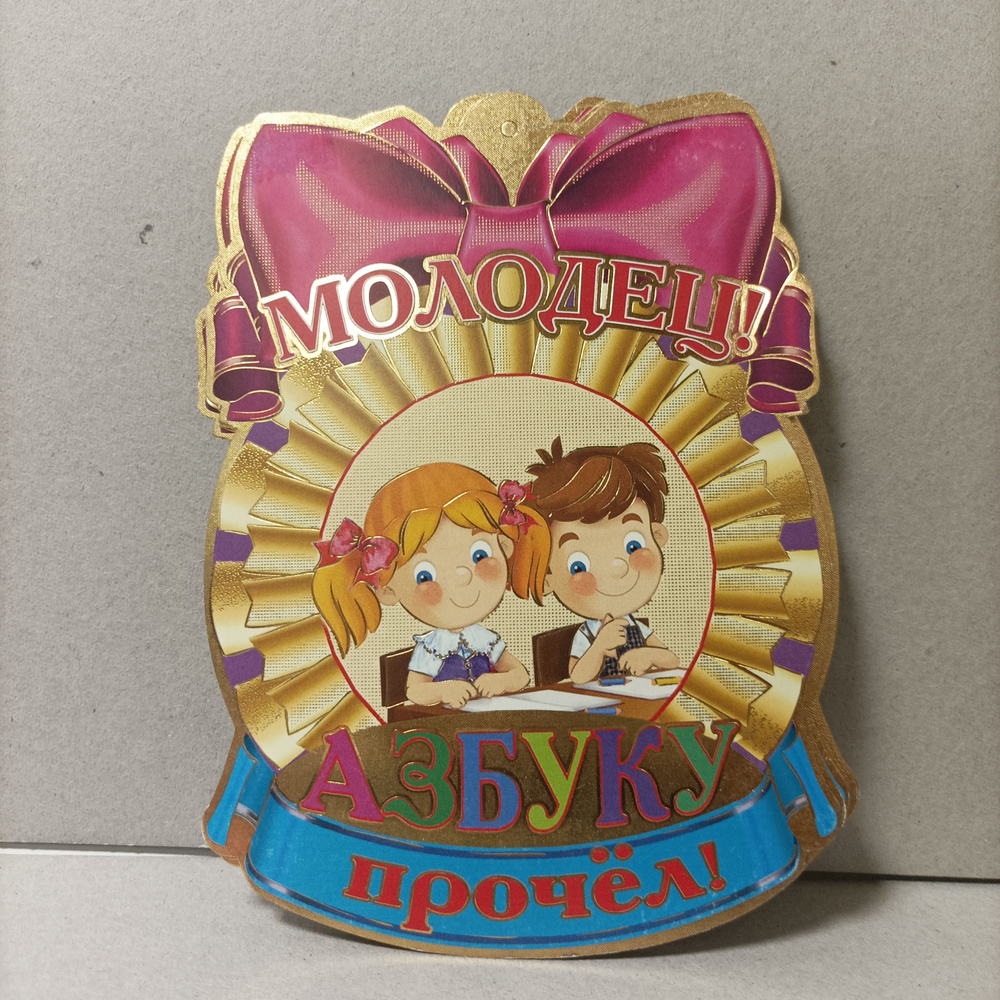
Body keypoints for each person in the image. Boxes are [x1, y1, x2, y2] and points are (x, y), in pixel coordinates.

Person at [312, 465, 549, 709]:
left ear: (504, 546)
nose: (462, 575)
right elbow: (415, 691)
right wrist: (444, 690)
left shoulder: (485, 640)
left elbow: (520, 675)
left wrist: (502, 681)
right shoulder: (432, 646)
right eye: (424, 575)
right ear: (388, 590)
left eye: (480, 554)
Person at [527, 438, 682, 685]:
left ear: (657, 535)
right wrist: (599, 647)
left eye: (634, 545)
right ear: (547, 578)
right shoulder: (588, 633)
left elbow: (672, 660)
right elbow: (578, 676)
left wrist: (648, 654)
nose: (617, 567)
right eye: (578, 566)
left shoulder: (635, 627)